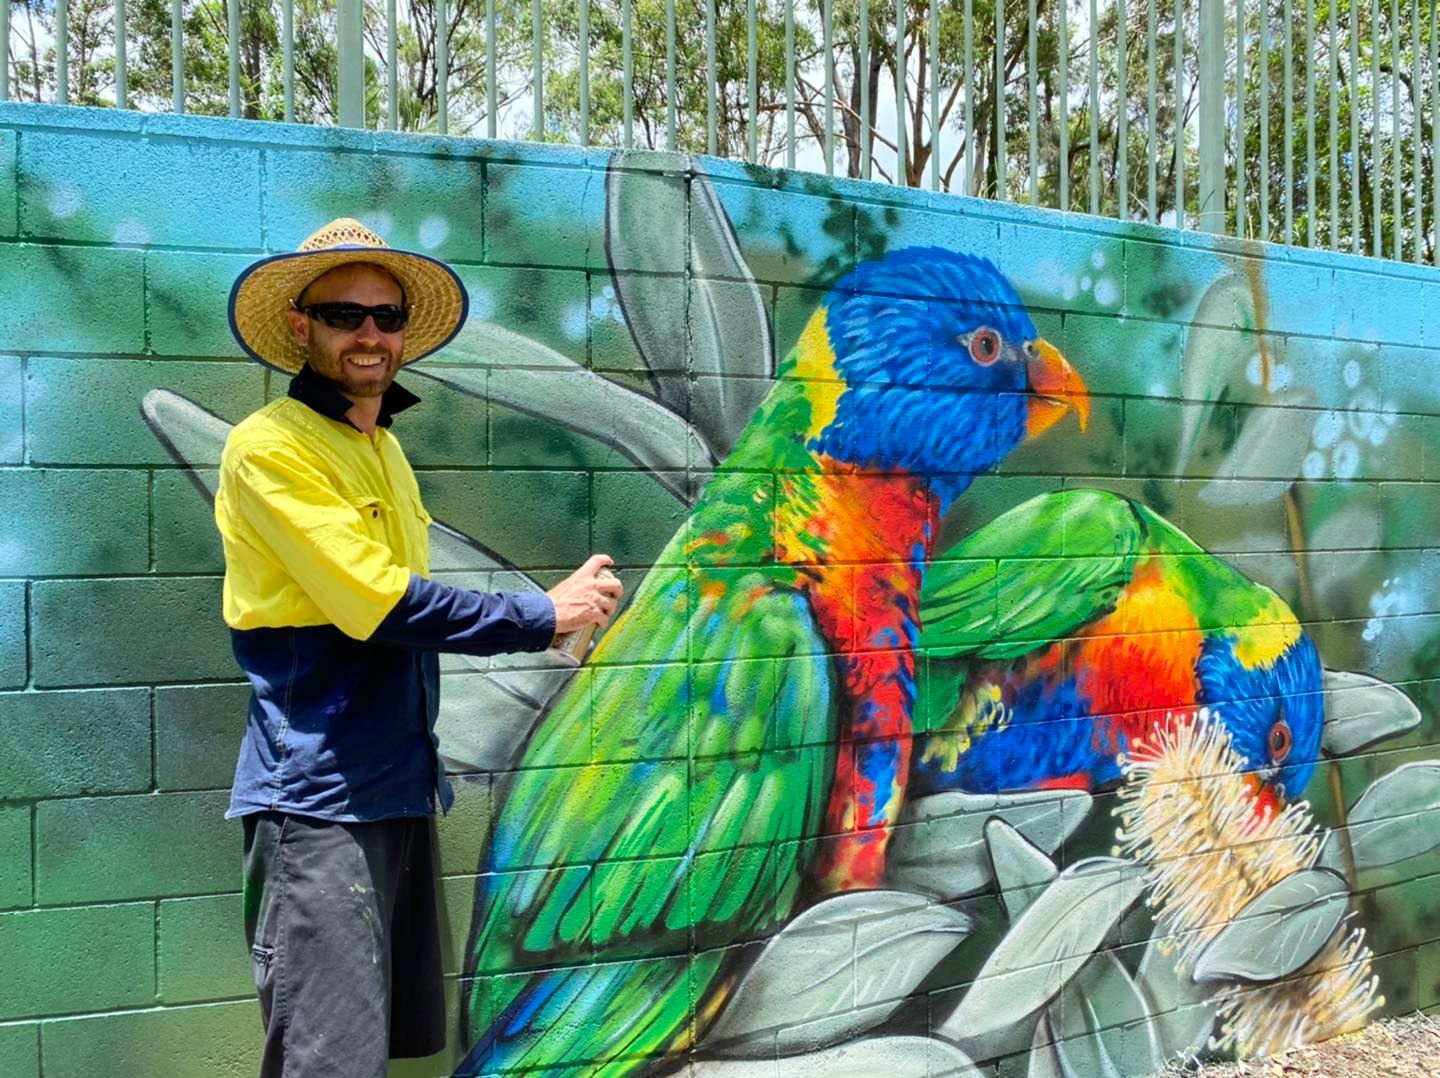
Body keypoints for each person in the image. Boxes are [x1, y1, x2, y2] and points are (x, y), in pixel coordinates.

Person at [215, 218, 623, 1077]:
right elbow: (377, 603)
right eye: (342, 313)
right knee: (329, 1060)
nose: (369, 333)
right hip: (319, 803)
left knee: (379, 1050)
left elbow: (411, 617)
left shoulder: (383, 448)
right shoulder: (270, 449)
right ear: (301, 326)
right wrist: (539, 616)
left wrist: (547, 635)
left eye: (386, 315)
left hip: (395, 788)